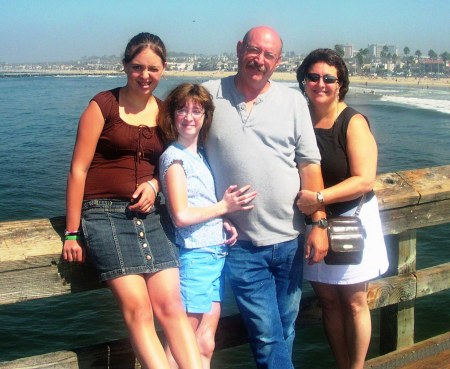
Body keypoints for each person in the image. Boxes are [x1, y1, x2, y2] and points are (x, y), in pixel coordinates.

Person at [62, 33, 203, 369]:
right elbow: (78, 170)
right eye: (137, 67)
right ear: (125, 65)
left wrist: (155, 185)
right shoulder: (103, 105)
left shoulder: (167, 112)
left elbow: (172, 161)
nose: (145, 75)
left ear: (163, 70)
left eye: (153, 69)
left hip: (154, 216)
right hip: (104, 216)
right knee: (138, 308)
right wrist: (70, 232)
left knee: (171, 304)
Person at [202, 26, 328, 369]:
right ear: (240, 48)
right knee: (267, 334)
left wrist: (318, 224)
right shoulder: (207, 96)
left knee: (284, 328)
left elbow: (309, 165)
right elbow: (178, 150)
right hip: (241, 244)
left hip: (290, 242)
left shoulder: (292, 102)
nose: (259, 60)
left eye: (268, 55)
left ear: (278, 61)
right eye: (254, 51)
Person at [296, 48, 389, 369]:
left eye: (329, 78)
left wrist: (319, 198)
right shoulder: (299, 119)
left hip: (350, 221)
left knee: (353, 303)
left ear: (340, 84)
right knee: (328, 304)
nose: (320, 84)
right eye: (313, 77)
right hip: (312, 225)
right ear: (303, 80)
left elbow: (365, 180)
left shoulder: (352, 122)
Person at [158, 83, 257, 368]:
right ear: (172, 115)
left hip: (214, 256)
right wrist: (224, 207)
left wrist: (221, 219)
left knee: (205, 342)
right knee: (182, 343)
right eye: (182, 110)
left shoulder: (199, 156)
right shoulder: (174, 158)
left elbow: (198, 204)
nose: (189, 117)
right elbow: (181, 215)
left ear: (205, 117)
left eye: (196, 111)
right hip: (196, 256)